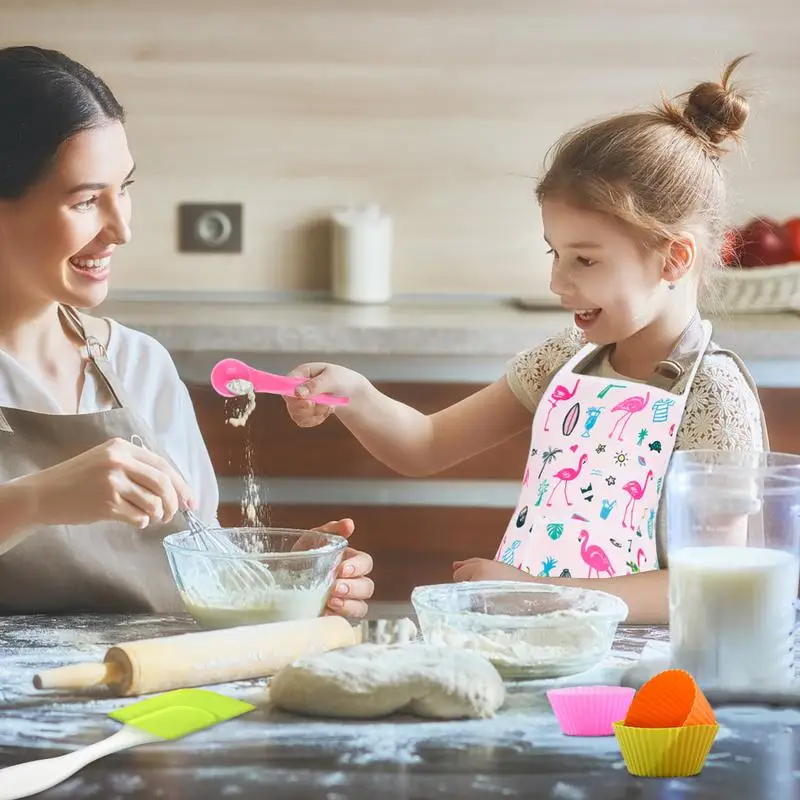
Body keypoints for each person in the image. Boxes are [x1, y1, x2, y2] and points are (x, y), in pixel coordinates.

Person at [284, 57, 770, 625]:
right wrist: (353, 394)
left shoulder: (713, 395)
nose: (558, 283)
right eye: (554, 253)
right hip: (540, 645)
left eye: (585, 259)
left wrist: (538, 591)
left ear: (674, 257)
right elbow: (427, 443)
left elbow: (713, 581)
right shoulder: (569, 358)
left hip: (650, 679)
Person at [0, 45, 374, 617]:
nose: (121, 228)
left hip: (147, 698)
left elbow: (201, 558)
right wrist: (35, 501)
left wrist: (281, 583)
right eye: (84, 201)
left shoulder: (138, 364)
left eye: (123, 187)